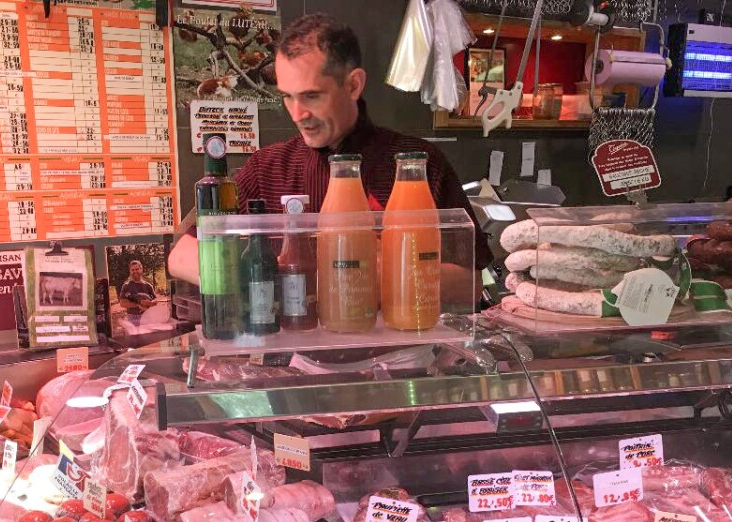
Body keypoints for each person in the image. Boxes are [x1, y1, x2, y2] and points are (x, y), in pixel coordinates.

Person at [168, 12, 492, 306]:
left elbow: (471, 284)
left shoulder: (415, 166)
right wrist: (257, 275)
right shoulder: (267, 167)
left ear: (353, 85)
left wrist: (365, 274)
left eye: (311, 95)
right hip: (296, 359)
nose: (297, 114)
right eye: (287, 96)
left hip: (399, 359)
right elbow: (181, 255)